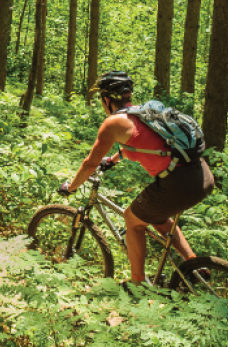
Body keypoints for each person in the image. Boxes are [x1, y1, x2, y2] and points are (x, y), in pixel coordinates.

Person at [60, 70, 214, 284]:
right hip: (202, 175)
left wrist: (71, 187)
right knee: (157, 217)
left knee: (132, 219)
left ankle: (137, 284)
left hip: (178, 184)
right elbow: (145, 146)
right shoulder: (142, 114)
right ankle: (194, 265)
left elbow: (89, 164)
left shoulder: (113, 123)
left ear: (106, 99)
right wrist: (112, 160)